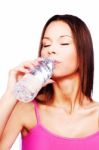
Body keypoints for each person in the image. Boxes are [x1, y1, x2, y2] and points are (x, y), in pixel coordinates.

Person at [0, 14, 99, 150]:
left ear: (83, 52)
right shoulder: (26, 110)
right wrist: (10, 95)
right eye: (46, 44)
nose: (50, 50)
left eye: (63, 43)